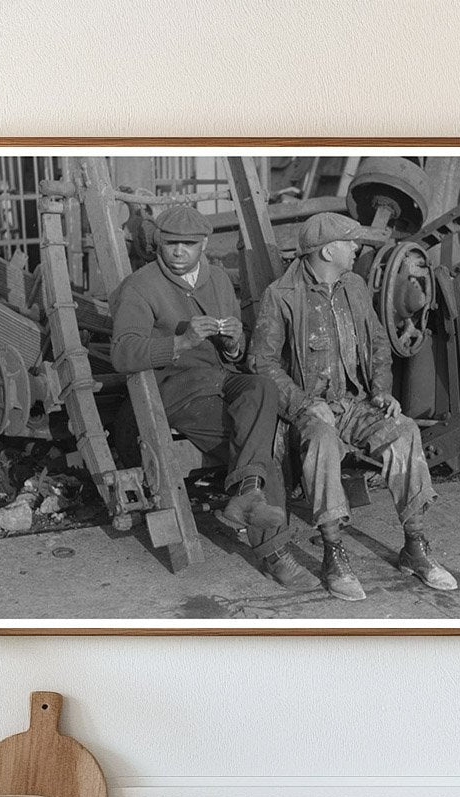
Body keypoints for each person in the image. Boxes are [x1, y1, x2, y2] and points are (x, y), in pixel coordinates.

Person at [248, 212, 457, 602]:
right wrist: (306, 404)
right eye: (350, 243)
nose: (356, 248)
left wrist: (381, 390)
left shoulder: (355, 286)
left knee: (405, 430)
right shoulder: (281, 296)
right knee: (324, 442)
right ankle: (333, 554)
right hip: (308, 413)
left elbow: (379, 343)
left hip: (355, 403)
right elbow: (261, 364)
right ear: (328, 250)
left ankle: (414, 546)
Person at [111, 204, 317, 592]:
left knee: (262, 387)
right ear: (160, 242)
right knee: (261, 454)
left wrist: (234, 342)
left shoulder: (219, 279)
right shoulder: (141, 286)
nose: (178, 252)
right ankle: (274, 554)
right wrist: (180, 342)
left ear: (203, 244)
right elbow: (122, 352)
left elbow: (233, 356)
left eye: (188, 245)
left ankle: (245, 496)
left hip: (221, 378)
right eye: (171, 243)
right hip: (177, 391)